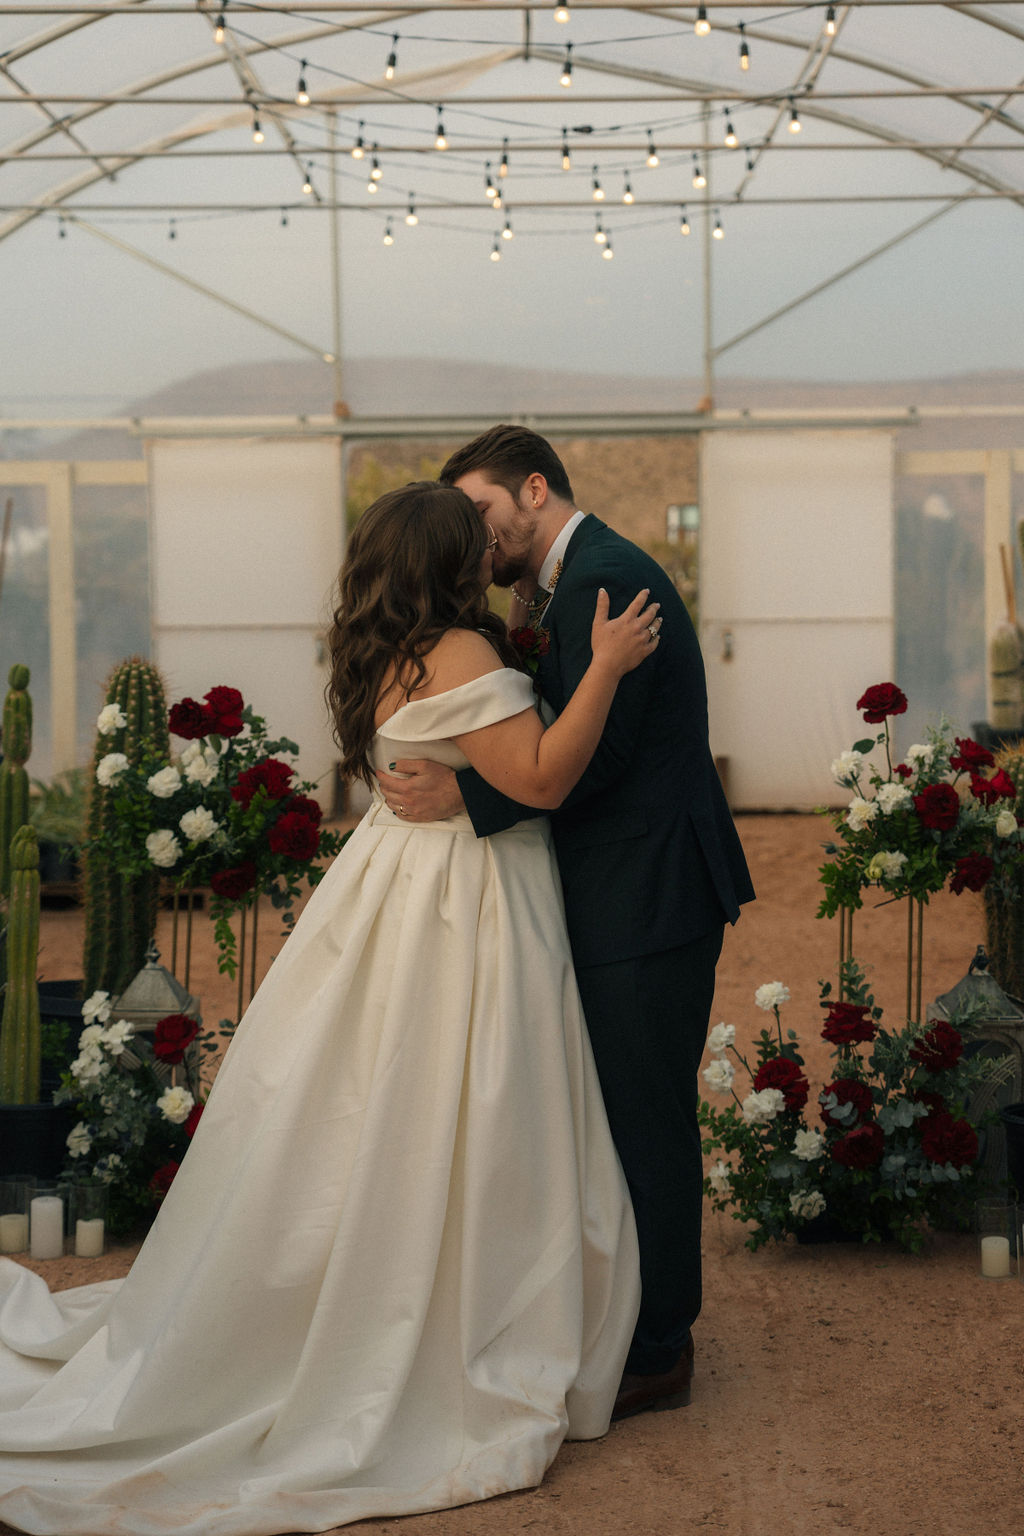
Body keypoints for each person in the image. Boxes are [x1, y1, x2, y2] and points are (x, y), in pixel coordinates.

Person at [0, 482, 660, 1536]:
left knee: (368, 1094)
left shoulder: (382, 656)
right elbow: (536, 779)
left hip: (393, 882)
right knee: (469, 1093)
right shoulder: (464, 657)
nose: (493, 550)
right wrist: (607, 674)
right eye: (475, 543)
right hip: (464, 898)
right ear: (448, 563)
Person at [376, 428, 755, 1420]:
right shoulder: (564, 580)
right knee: (619, 1112)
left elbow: (596, 759)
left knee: (647, 1118)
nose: (476, 533)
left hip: (646, 892)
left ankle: (660, 1347)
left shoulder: (604, 578)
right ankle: (628, 1316)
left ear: (534, 490)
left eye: (485, 512)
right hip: (623, 886)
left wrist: (471, 800)